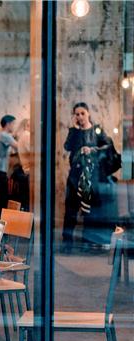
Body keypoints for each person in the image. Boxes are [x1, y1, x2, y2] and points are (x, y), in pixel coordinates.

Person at [62, 102, 117, 251]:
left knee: (89, 211)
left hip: (91, 176)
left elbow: (108, 146)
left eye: (82, 113)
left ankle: (87, 243)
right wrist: (74, 129)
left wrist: (92, 149)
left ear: (88, 113)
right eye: (77, 114)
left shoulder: (97, 130)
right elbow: (67, 146)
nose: (80, 117)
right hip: (75, 177)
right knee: (71, 210)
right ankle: (67, 244)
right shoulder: (74, 131)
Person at [0, 115, 18, 215]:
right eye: (13, 124)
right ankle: (0, 219)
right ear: (8, 124)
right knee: (2, 196)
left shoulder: (1, 135)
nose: (14, 126)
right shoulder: (5, 135)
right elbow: (18, 147)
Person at [9, 118, 31, 210]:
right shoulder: (27, 136)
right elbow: (35, 153)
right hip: (29, 171)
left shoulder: (23, 136)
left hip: (25, 169)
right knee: (27, 203)